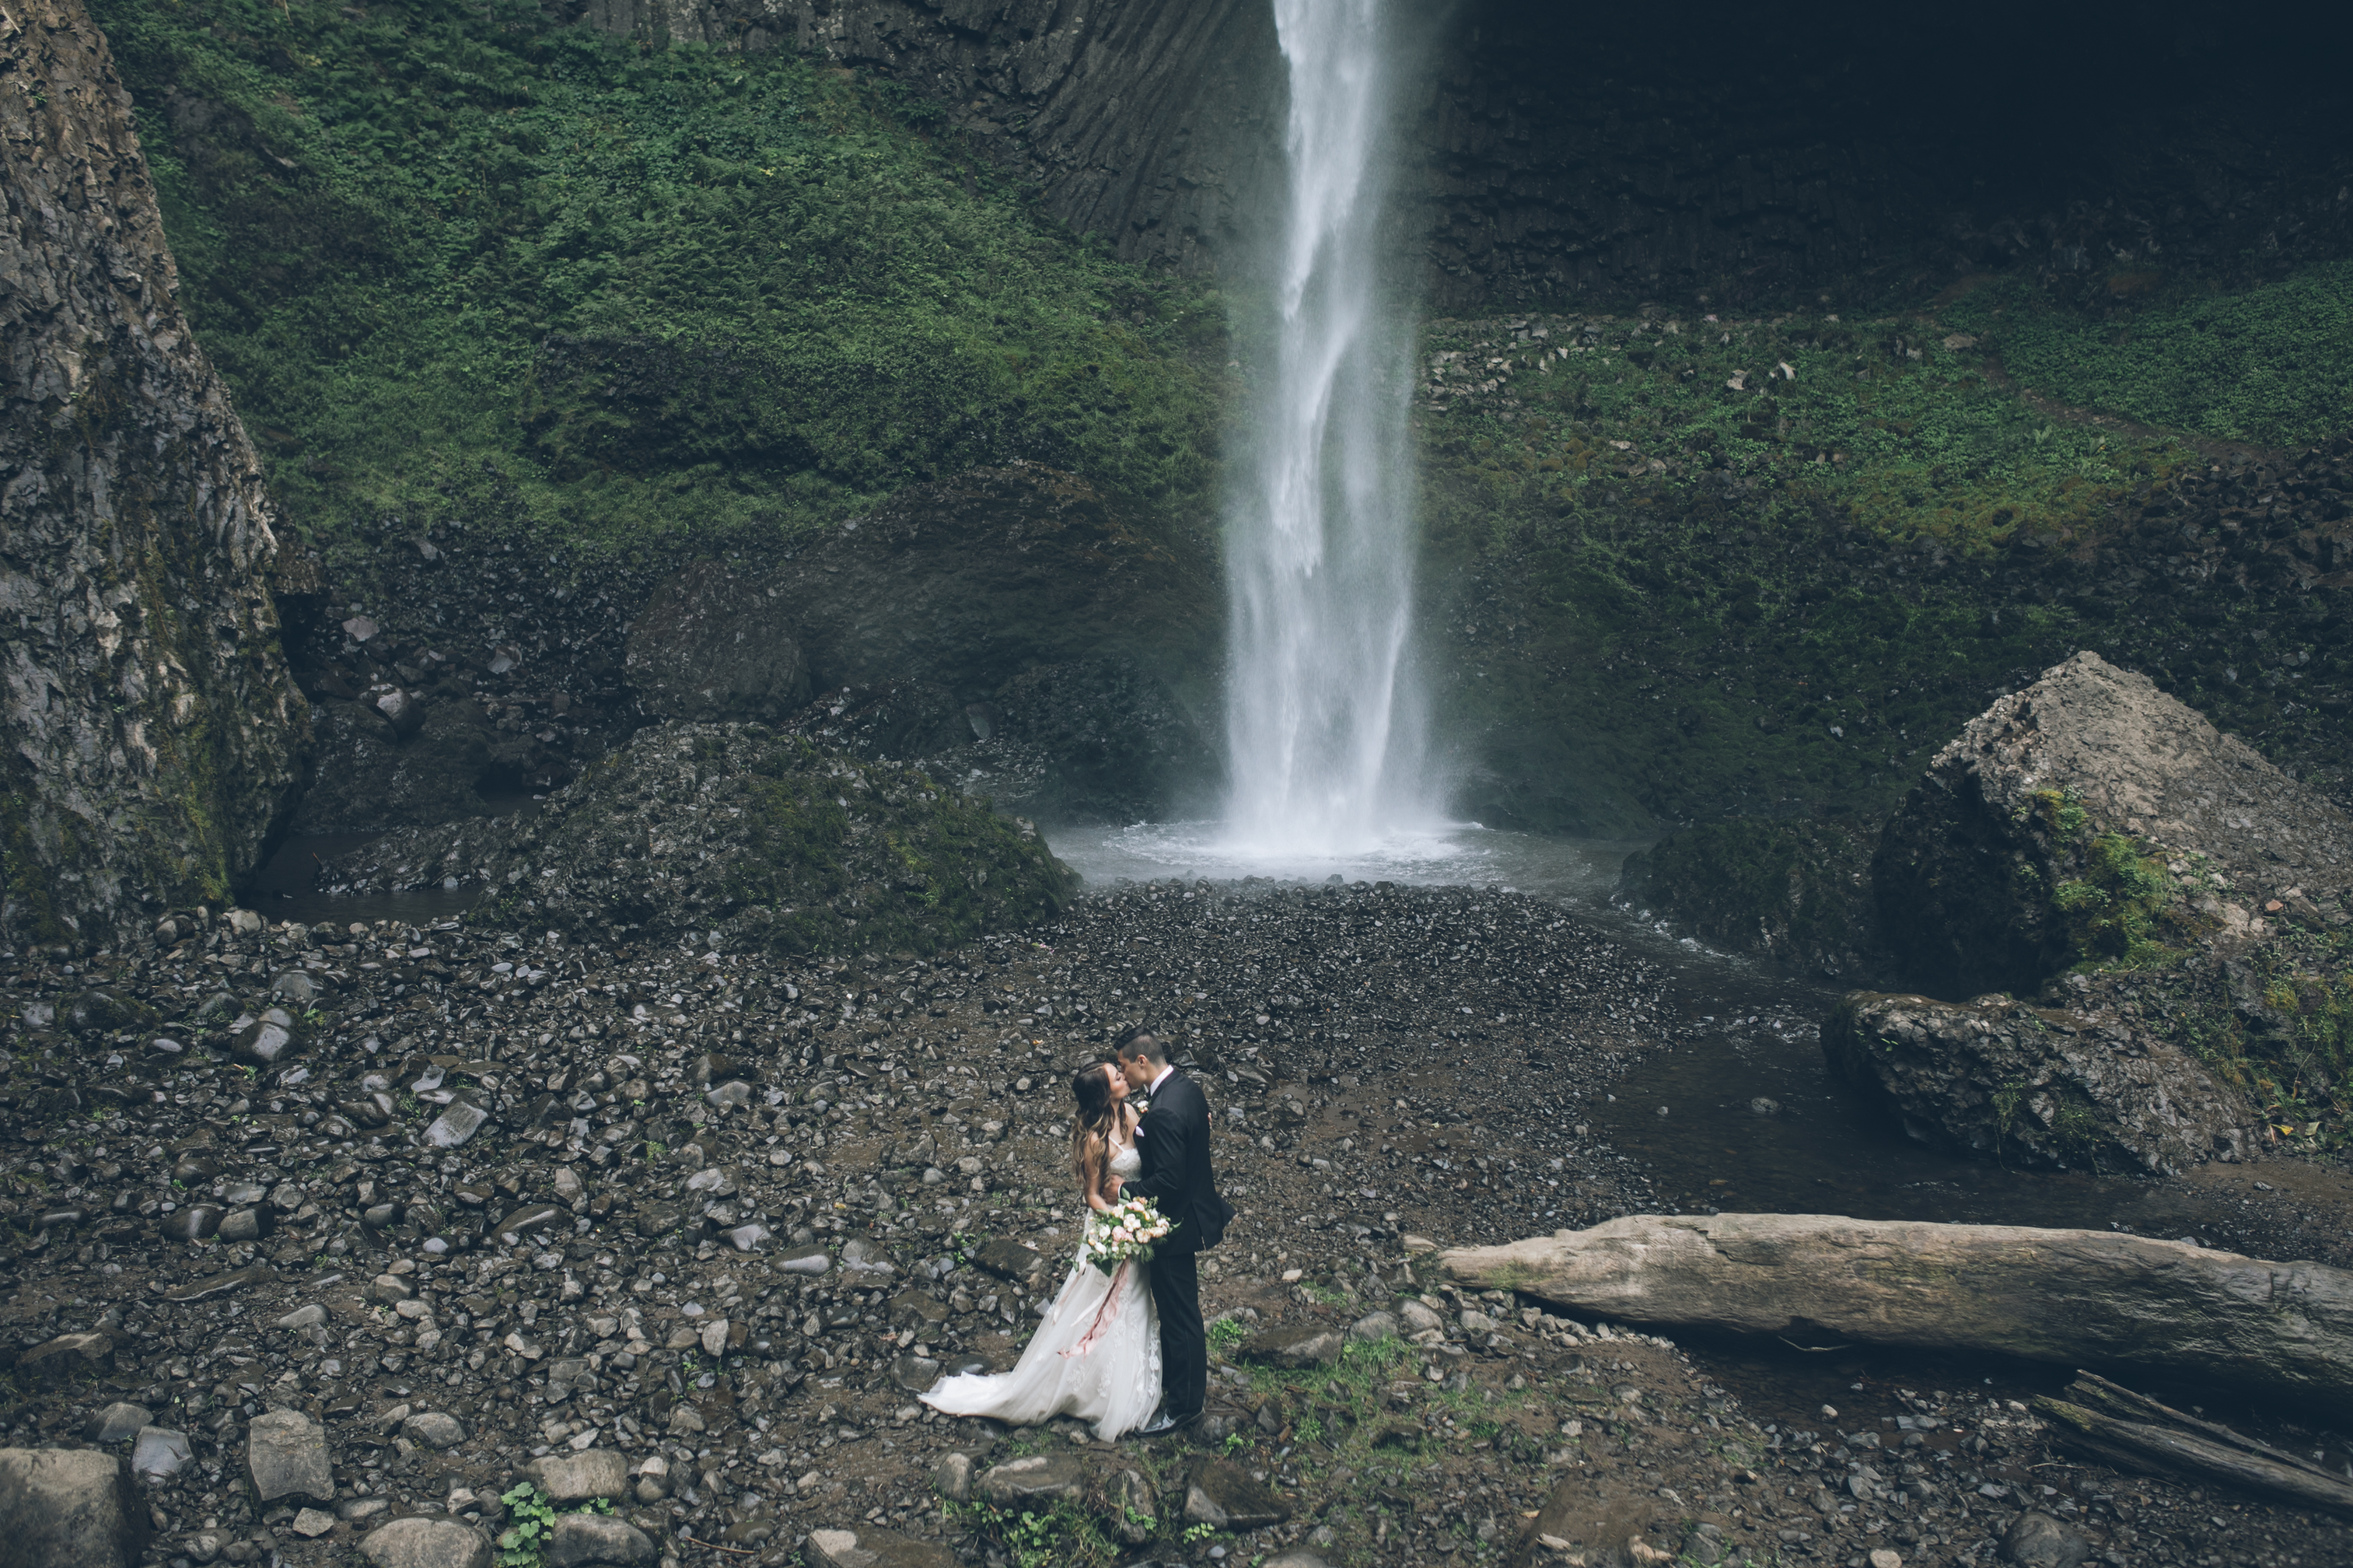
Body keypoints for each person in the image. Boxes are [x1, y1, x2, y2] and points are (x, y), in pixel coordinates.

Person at [917, 1060, 1163, 1440]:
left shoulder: (1132, 1112)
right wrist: (1122, 1223)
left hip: (1136, 1221)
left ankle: (1127, 1384)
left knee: (1135, 1303)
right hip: (1112, 1229)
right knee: (1091, 1307)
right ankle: (1086, 1389)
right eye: (1115, 1075)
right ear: (1103, 1092)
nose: (1122, 1075)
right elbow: (1092, 1197)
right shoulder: (1094, 1139)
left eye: (1119, 1071)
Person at [1115, 1025, 1234, 1436]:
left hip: (1174, 1226)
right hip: (1194, 1213)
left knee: (1179, 1316)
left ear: (1142, 1061)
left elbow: (1167, 1180)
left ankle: (1184, 1407)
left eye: (1123, 1065)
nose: (1122, 1074)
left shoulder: (1162, 1110)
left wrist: (1124, 1189)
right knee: (1184, 1312)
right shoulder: (1186, 1087)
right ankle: (1182, 1392)